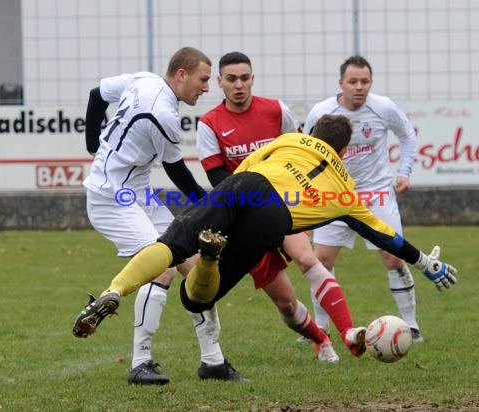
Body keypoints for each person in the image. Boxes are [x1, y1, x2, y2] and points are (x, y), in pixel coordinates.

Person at [72, 114, 458, 365]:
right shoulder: (346, 192)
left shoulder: (288, 140)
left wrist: (232, 204)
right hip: (275, 218)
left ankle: (114, 289)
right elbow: (384, 235)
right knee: (195, 297)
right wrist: (426, 262)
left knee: (173, 245)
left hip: (247, 186)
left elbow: (245, 168)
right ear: (343, 152)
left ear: (311, 135)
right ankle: (209, 260)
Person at [78, 46, 246, 385]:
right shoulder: (165, 115)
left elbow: (98, 94)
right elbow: (177, 172)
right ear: (181, 74)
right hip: (111, 198)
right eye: (202, 79)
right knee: (166, 265)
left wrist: (93, 143)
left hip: (134, 193)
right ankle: (140, 362)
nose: (206, 87)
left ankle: (212, 361)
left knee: (196, 267)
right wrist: (216, 206)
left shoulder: (143, 79)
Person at [196, 51, 367, 362]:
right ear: (220, 82)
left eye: (244, 78)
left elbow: (304, 150)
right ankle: (320, 338)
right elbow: (217, 177)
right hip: (242, 219)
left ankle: (349, 333)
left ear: (252, 79)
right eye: (231, 79)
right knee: (286, 305)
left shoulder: (276, 111)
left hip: (283, 207)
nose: (239, 85)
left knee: (307, 259)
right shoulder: (209, 124)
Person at [303, 55, 423, 342]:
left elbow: (408, 136)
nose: (359, 87)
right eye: (353, 81)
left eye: (365, 81)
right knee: (321, 261)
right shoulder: (322, 112)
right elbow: (305, 152)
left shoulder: (383, 107)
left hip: (376, 194)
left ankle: (411, 325)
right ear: (340, 83)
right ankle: (321, 327)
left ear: (371, 82)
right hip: (334, 196)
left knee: (394, 257)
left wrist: (404, 172)